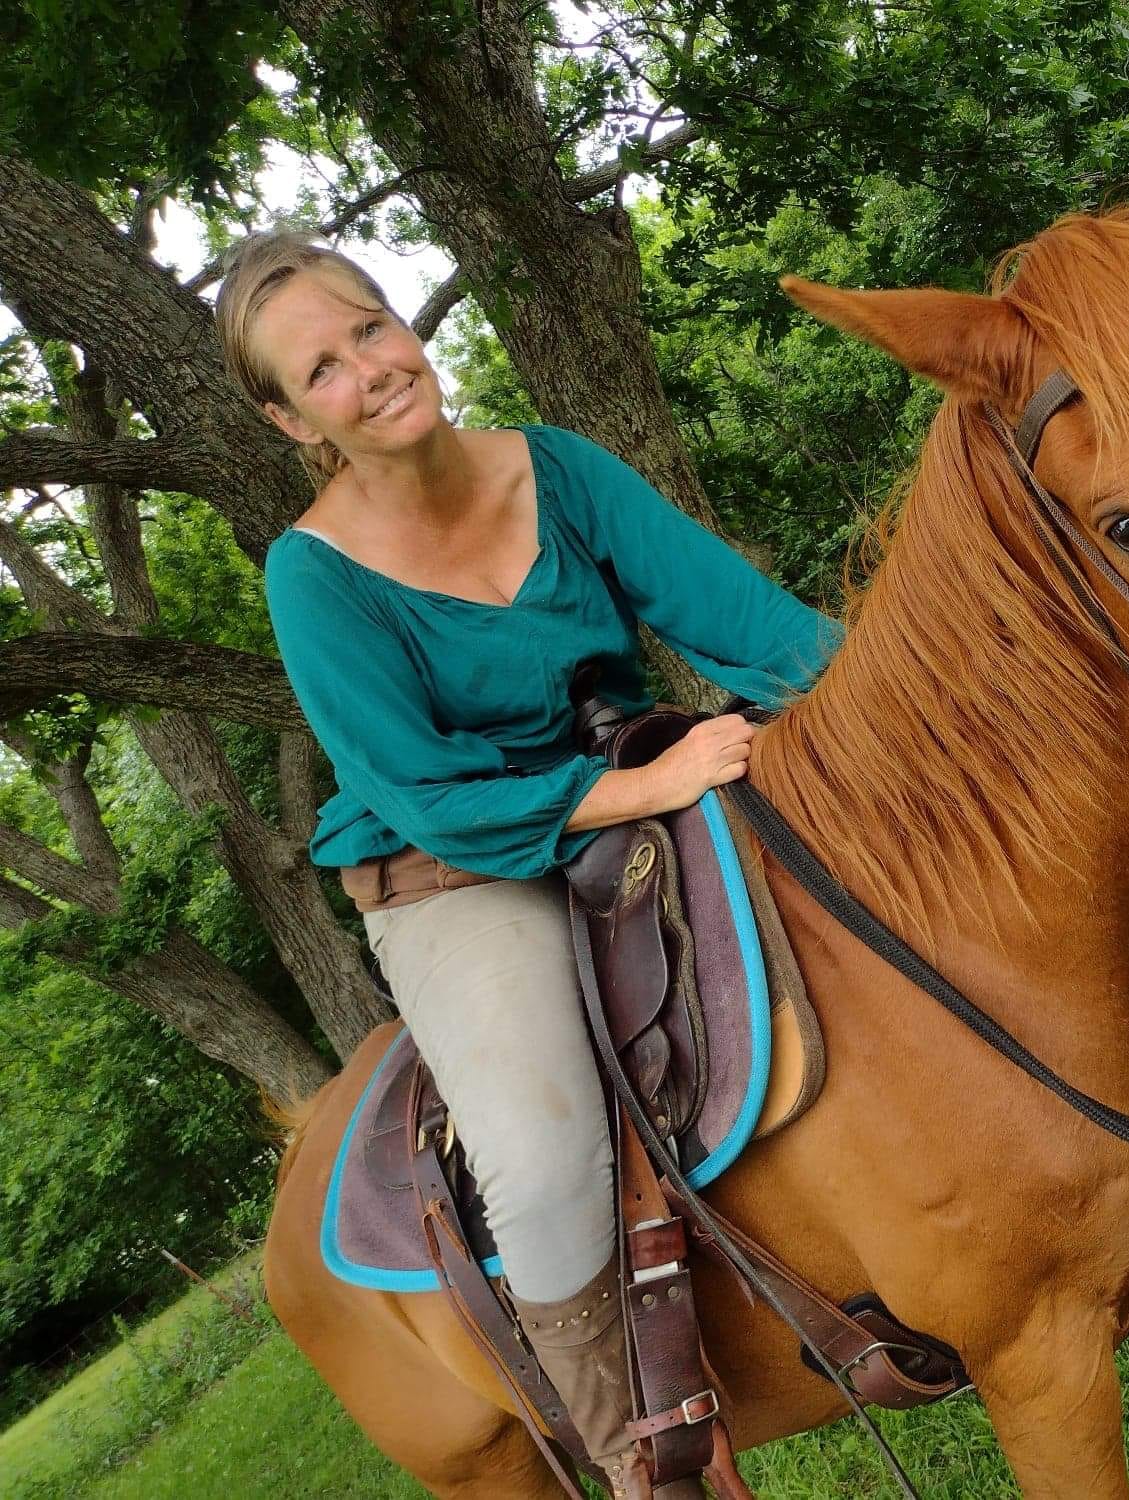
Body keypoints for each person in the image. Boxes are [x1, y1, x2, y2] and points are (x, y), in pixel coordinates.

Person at [218, 230, 838, 1498]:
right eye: (321, 371)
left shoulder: (558, 468)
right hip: (455, 868)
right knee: (545, 1156)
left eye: (371, 329)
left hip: (633, 798)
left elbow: (756, 630)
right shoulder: (313, 576)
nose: (369, 372)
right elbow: (430, 796)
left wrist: (919, 696)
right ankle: (642, 1459)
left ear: (405, 325)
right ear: (291, 422)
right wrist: (644, 786)